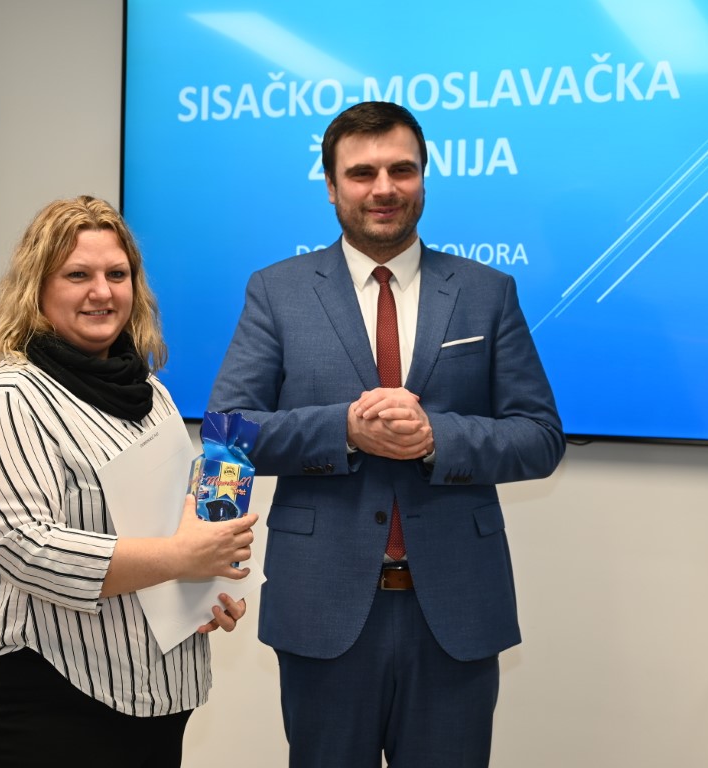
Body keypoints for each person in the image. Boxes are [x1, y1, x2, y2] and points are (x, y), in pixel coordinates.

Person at [208, 102, 565, 767]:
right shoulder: (277, 292)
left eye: (402, 170)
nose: (384, 188)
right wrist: (344, 429)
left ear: (424, 176)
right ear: (331, 185)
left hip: (456, 611)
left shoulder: (487, 292)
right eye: (362, 173)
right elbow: (228, 435)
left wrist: (436, 439)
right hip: (321, 608)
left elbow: (540, 437)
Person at [0, 195, 258, 768]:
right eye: (77, 275)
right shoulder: (9, 399)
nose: (102, 292)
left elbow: (164, 527)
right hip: (36, 699)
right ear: (37, 289)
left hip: (151, 696)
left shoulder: (152, 394)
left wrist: (201, 594)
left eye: (117, 274)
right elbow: (27, 549)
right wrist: (182, 558)